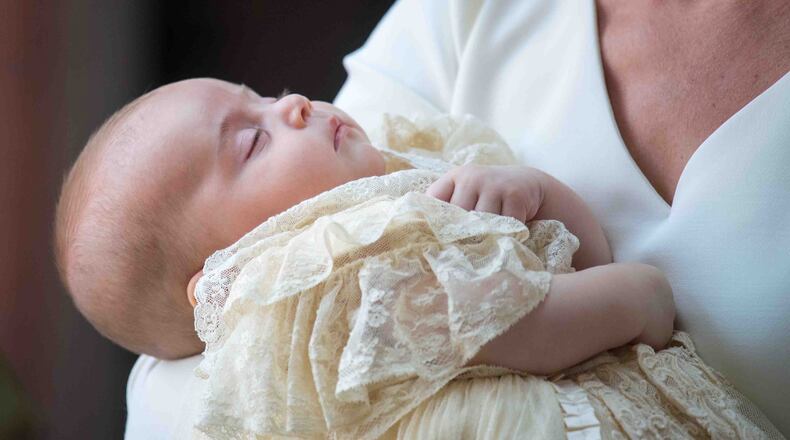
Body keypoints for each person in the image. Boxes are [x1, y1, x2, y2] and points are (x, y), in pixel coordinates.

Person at [123, 0, 790, 437]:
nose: (293, 103)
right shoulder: (326, 283)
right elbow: (514, 326)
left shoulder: (401, 171)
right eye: (253, 140)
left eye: (265, 97)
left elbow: (576, 256)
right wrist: (635, 298)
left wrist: (537, 193)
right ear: (222, 279)